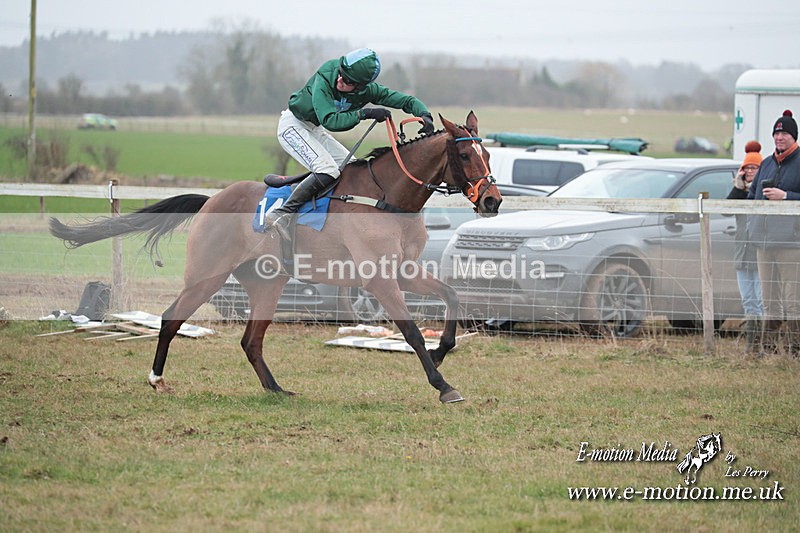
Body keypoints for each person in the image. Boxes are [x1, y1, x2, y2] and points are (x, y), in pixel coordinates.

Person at [262, 48, 434, 238]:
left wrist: (424, 114)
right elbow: (330, 121)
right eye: (341, 75)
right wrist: (364, 113)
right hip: (292, 126)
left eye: (347, 81)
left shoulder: (369, 91)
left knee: (353, 170)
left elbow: (404, 100)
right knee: (327, 170)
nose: (339, 81)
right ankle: (282, 214)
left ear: (361, 86)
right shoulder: (326, 76)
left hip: (314, 129)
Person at [747, 110, 800, 356]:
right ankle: (768, 350)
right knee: (769, 299)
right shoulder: (766, 163)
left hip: (791, 243)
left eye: (785, 133)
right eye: (777, 133)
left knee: (793, 300)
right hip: (763, 242)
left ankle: (794, 350)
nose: (779, 137)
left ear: (794, 136)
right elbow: (751, 198)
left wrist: (786, 197)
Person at [727, 140, 764, 353]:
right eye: (747, 168)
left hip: (759, 254)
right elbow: (726, 210)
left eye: (754, 168)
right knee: (748, 300)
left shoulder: (763, 191)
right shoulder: (739, 191)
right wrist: (737, 188)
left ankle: (762, 344)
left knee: (760, 300)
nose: (750, 171)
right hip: (742, 255)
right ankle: (751, 343)